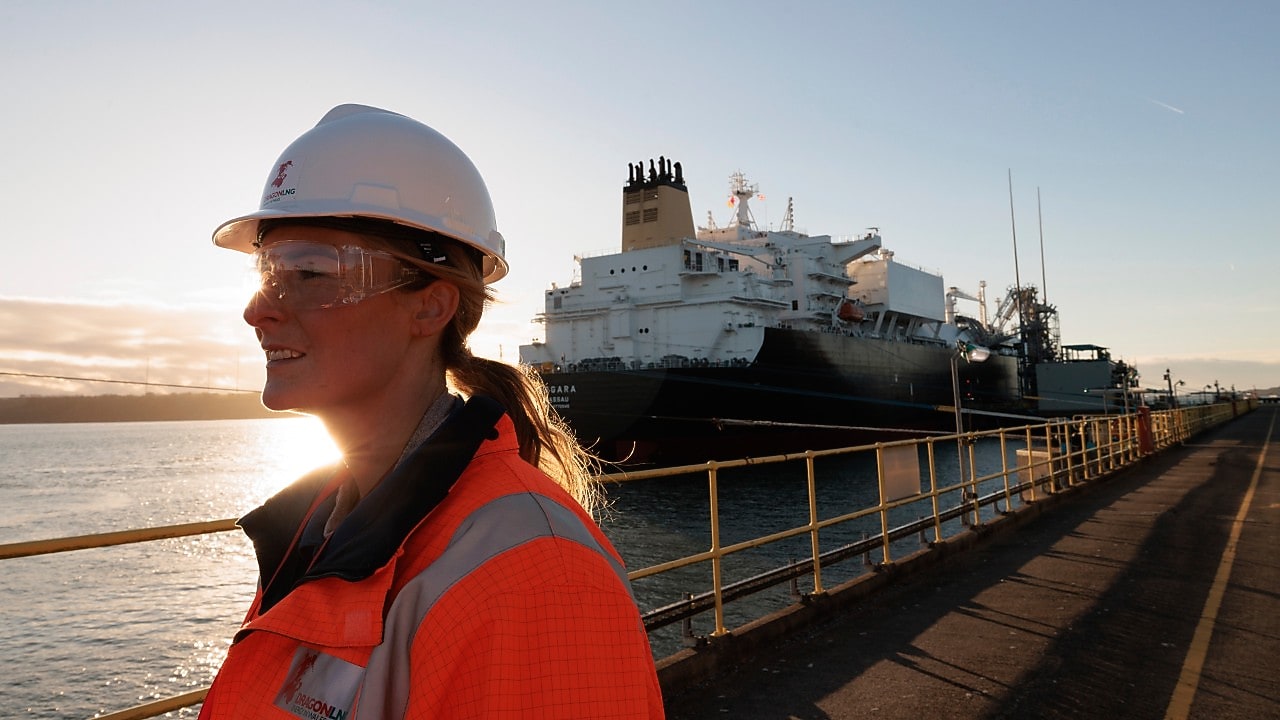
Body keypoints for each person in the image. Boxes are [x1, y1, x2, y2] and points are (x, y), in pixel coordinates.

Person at [198, 104, 665, 719]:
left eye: (308, 271)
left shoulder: (534, 579)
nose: (258, 310)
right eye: (266, 273)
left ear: (430, 308)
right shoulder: (316, 527)